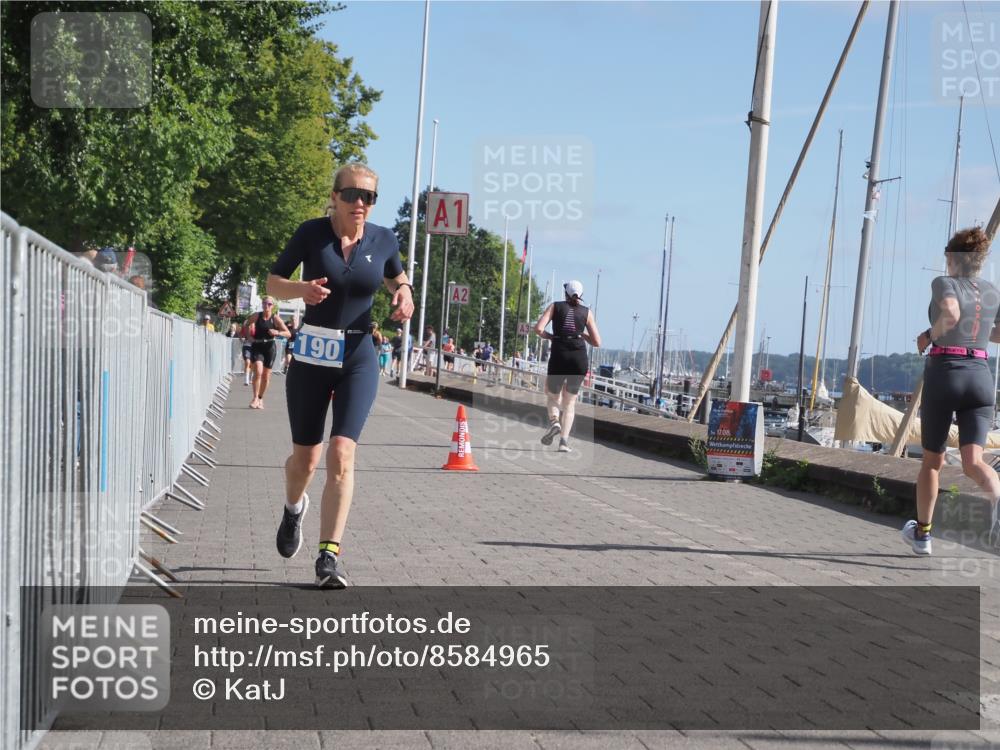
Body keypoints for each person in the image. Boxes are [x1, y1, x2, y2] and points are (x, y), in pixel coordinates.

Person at [266, 162, 414, 588]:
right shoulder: (310, 233)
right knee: (305, 460)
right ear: (334, 196)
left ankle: (328, 557)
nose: (361, 204)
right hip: (312, 354)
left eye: (369, 197)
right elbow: (273, 282)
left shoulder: (384, 238)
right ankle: (294, 508)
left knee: (342, 453)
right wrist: (301, 290)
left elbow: (397, 281)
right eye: (352, 195)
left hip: (357, 355)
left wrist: (404, 295)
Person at [907, 227, 1000, 556]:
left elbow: (951, 313)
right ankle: (997, 506)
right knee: (974, 462)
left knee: (932, 461)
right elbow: (996, 334)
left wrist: (928, 336)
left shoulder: (944, 283)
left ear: (953, 258)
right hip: (981, 377)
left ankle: (923, 534)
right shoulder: (990, 291)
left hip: (946, 373)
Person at [534, 280, 602, 452]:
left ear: (565, 293)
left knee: (552, 395)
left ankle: (554, 421)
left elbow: (538, 329)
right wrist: (582, 335)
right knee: (570, 402)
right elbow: (597, 342)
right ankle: (564, 442)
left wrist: (552, 336)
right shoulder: (587, 313)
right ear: (581, 295)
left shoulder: (555, 307)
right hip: (578, 359)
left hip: (559, 355)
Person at [245, 297, 289, 408]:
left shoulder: (275, 319)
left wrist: (277, 332)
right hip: (257, 346)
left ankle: (260, 398)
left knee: (266, 376)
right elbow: (246, 324)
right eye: (264, 303)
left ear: (272, 306)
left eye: (269, 304)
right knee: (258, 371)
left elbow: (288, 333)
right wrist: (249, 336)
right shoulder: (256, 316)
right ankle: (255, 398)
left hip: (270, 348)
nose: (266, 305)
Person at [240, 318, 254, 386]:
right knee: (247, 362)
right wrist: (241, 339)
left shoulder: (256, 327)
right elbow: (240, 335)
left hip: (255, 347)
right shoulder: (245, 327)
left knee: (252, 364)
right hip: (246, 346)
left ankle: (251, 378)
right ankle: (246, 380)